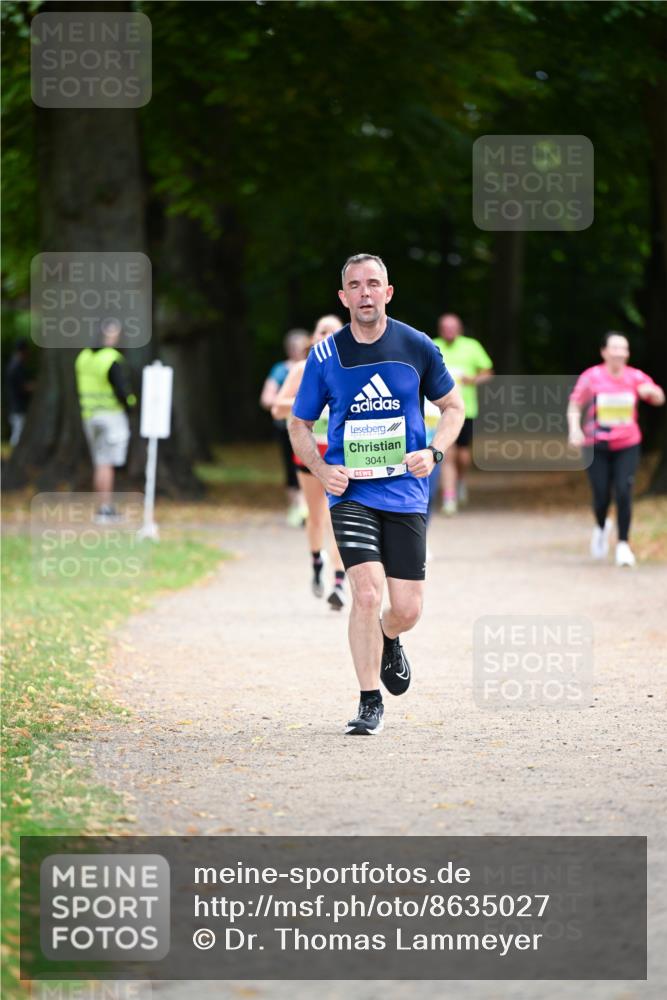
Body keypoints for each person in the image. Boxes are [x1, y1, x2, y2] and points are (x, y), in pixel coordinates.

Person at [289, 254, 465, 735]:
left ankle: (390, 636)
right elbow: (298, 423)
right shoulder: (325, 357)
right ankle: (369, 700)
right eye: (354, 286)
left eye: (373, 284)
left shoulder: (417, 345)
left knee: (406, 607)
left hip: (407, 491)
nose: (364, 293)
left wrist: (434, 451)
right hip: (352, 493)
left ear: (388, 292)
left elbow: (453, 408)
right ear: (343, 297)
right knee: (366, 593)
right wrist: (323, 470)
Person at [567, 331, 665, 567]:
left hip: (627, 443)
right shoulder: (592, 377)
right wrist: (574, 429)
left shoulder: (635, 376)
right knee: (601, 496)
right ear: (604, 352)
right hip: (596, 445)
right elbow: (575, 404)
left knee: (623, 490)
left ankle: (623, 544)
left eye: (625, 349)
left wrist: (652, 393)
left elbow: (659, 397)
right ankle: (601, 526)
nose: (621, 353)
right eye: (615, 348)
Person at [272, 314, 347, 609]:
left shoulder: (348, 368)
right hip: (309, 452)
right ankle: (317, 561)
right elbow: (277, 408)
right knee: (317, 517)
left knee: (340, 518)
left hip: (342, 454)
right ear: (314, 338)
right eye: (321, 331)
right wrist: (309, 401)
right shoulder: (302, 369)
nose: (326, 335)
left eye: (333, 331)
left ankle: (339, 583)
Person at [75, 319, 136, 521]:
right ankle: (106, 509)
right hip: (110, 416)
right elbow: (121, 389)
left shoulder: (83, 357)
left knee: (100, 463)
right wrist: (131, 404)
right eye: (113, 334)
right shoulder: (111, 358)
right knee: (107, 463)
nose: (115, 338)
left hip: (89, 416)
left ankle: (103, 507)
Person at [433, 314, 493, 514]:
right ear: (441, 329)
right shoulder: (432, 345)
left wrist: (472, 379)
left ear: (459, 329)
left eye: (453, 327)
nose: (449, 331)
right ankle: (449, 499)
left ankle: (460, 481)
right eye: (445, 327)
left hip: (466, 409)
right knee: (447, 453)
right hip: (440, 410)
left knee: (463, 456)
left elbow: (487, 373)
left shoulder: (472, 346)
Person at [260, 330, 310, 526]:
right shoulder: (281, 371)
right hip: (287, 427)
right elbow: (267, 399)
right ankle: (298, 507)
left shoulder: (317, 366)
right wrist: (294, 402)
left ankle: (308, 507)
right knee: (292, 468)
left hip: (315, 428)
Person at [5, 338, 34, 447]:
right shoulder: (16, 367)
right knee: (18, 433)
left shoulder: (14, 365)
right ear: (23, 350)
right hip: (18, 407)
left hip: (16, 406)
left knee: (18, 432)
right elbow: (22, 387)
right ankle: (14, 457)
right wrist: (33, 386)